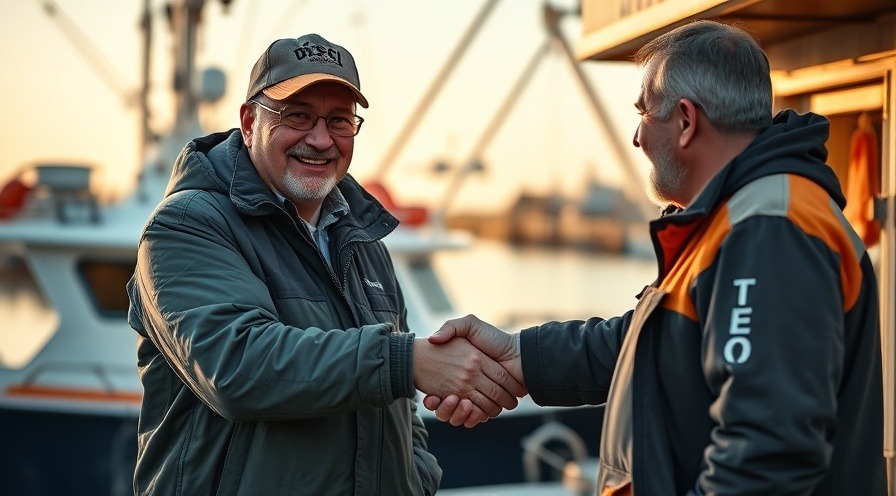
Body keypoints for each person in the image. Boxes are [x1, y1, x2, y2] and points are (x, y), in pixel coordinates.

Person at [424, 20, 886, 496]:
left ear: (686, 122)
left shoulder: (769, 231)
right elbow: (655, 342)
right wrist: (521, 356)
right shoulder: (738, 218)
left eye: (645, 113)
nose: (636, 138)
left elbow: (767, 452)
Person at [126, 33, 525, 496]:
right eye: (297, 116)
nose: (320, 139)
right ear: (249, 120)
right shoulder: (188, 224)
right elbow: (235, 368)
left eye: (339, 120)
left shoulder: (363, 239)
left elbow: (400, 406)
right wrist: (407, 360)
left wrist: (417, 479)